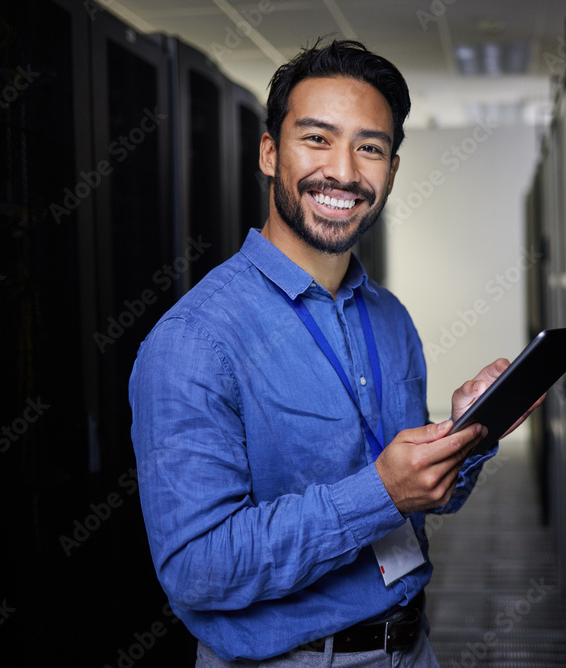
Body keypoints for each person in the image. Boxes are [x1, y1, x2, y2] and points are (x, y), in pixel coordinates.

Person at [129, 39, 539, 665]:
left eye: (369, 147)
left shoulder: (391, 318)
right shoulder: (195, 342)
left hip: (412, 647)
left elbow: (424, 498)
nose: (344, 172)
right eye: (317, 139)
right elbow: (197, 568)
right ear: (270, 153)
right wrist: (381, 491)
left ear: (392, 171)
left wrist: (468, 435)